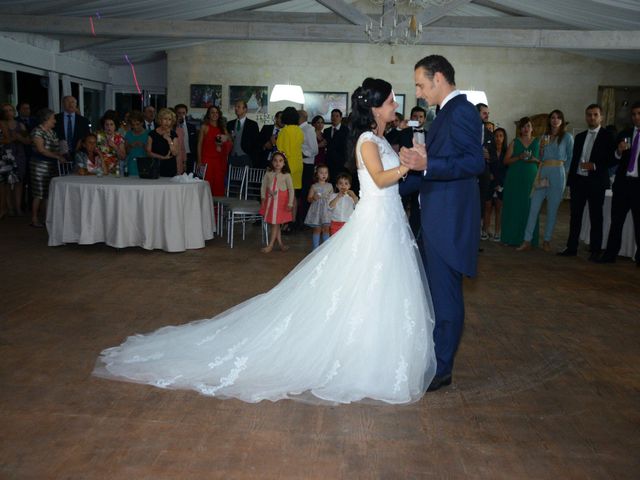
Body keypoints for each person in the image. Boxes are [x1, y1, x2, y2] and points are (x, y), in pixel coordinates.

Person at [93, 77, 436, 405]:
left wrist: (408, 157)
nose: (395, 105)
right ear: (375, 107)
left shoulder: (380, 139)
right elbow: (377, 179)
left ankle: (372, 353)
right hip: (376, 222)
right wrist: (409, 164)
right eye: (391, 100)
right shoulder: (366, 141)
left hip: (387, 222)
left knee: (376, 290)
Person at [399, 54, 485, 392]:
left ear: (438, 78)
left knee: (446, 297)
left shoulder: (462, 110)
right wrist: (392, 187)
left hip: (447, 223)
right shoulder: (445, 113)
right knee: (437, 294)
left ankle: (443, 368)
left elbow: (473, 162)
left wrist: (428, 162)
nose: (418, 92)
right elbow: (431, 170)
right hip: (436, 218)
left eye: (420, 84)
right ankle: (437, 357)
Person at [558, 104, 616, 260]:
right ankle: (571, 248)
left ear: (601, 117)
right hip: (579, 182)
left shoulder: (608, 136)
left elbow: (612, 159)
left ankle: (595, 250)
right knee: (575, 216)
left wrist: (595, 165)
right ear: (586, 117)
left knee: (596, 217)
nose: (592, 117)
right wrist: (571, 182)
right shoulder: (580, 136)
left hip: (596, 182)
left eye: (595, 114)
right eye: (589, 114)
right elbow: (574, 160)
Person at [518, 110, 574, 252]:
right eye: (553, 118)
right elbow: (541, 158)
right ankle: (527, 240)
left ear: (562, 120)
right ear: (550, 120)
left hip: (558, 172)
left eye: (558, 118)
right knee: (534, 207)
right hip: (543, 170)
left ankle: (547, 240)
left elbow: (570, 159)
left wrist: (564, 176)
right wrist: (541, 149)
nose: (555, 120)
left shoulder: (567, 137)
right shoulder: (544, 136)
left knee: (552, 209)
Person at [598, 100, 640, 266]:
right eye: (634, 114)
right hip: (623, 184)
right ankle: (609, 255)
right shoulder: (625, 134)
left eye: (639, 114)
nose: (636, 117)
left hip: (639, 186)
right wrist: (618, 151)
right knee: (616, 222)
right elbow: (612, 160)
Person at [500, 117, 541, 247]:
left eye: (528, 126)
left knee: (530, 207)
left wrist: (534, 159)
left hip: (531, 179)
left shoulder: (538, 142)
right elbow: (505, 161)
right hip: (514, 179)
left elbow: (543, 161)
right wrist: (519, 157)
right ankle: (510, 237)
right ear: (520, 129)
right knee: (513, 207)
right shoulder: (514, 142)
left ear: (532, 128)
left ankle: (528, 239)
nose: (526, 129)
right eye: (523, 126)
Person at [30, 108, 65, 228]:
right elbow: (41, 150)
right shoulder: (37, 131)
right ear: (46, 119)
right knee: (39, 192)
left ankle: (46, 218)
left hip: (52, 165)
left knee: (48, 192)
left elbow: (55, 148)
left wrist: (62, 152)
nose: (55, 121)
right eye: (53, 118)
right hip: (39, 165)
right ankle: (34, 218)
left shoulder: (52, 132)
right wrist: (57, 156)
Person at [259, 151, 295, 253]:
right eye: (275, 160)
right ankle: (281, 245)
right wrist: (263, 197)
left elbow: (291, 190)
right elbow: (263, 186)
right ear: (272, 162)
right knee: (275, 223)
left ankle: (270, 245)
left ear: (284, 163)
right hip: (270, 203)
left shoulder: (286, 175)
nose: (277, 163)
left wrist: (290, 203)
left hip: (281, 203)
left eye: (280, 161)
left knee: (275, 223)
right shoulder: (268, 174)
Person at [1, 103, 29, 216]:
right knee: (6, 182)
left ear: (14, 111)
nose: (8, 113)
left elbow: (28, 140)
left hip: (19, 155)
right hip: (5, 155)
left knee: (19, 181)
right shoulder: (1, 124)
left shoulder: (20, 125)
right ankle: (9, 208)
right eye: (5, 111)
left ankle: (18, 208)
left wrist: (19, 138)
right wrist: (13, 138)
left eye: (10, 110)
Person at [197, 105, 232, 196]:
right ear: (208, 114)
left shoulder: (223, 128)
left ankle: (217, 209)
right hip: (207, 160)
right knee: (206, 184)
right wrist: (199, 161)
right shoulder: (204, 127)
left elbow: (230, 142)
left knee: (218, 184)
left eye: (216, 112)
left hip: (219, 161)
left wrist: (224, 141)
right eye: (212, 112)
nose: (214, 114)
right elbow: (199, 144)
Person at [484, 127, 508, 242]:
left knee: (499, 208)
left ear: (504, 138)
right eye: (496, 136)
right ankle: (485, 230)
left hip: (501, 182)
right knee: (487, 207)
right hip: (490, 182)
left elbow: (507, 168)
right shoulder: (489, 150)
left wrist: (502, 181)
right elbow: (485, 165)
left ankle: (497, 232)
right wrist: (489, 174)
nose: (498, 138)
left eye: (501, 136)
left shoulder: (507, 151)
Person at [304, 164, 332, 249]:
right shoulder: (314, 186)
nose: (324, 175)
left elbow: (332, 198)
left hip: (326, 211)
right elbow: (309, 199)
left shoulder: (330, 185)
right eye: (321, 173)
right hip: (317, 211)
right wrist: (314, 198)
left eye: (326, 173)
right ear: (317, 174)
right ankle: (315, 249)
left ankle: (325, 247)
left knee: (326, 228)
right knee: (317, 229)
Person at [146, 108, 180, 177]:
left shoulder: (174, 134)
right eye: (165, 119)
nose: (167, 122)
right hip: (155, 166)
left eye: (169, 119)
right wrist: (162, 157)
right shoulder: (152, 134)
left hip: (170, 167)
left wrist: (169, 140)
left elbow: (175, 153)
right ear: (160, 120)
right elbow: (148, 152)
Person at [124, 110, 148, 177]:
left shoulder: (149, 134)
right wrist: (130, 146)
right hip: (131, 165)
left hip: (145, 165)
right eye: (133, 125)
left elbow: (151, 152)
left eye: (137, 124)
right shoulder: (128, 134)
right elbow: (126, 152)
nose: (135, 127)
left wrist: (144, 146)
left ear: (142, 123)